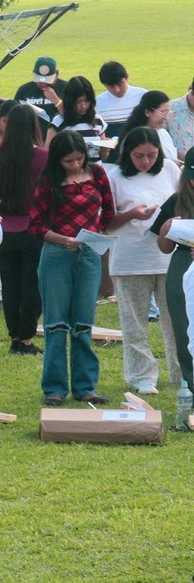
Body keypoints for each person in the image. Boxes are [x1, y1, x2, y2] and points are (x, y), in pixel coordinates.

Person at [29, 129, 115, 406]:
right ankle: (54, 389)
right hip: (57, 255)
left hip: (88, 255)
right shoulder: (48, 182)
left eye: (79, 159)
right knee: (56, 324)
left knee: (83, 323)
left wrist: (94, 234)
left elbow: (109, 211)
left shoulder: (98, 174)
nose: (75, 165)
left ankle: (85, 386)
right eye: (69, 161)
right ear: (57, 160)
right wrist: (63, 239)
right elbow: (36, 225)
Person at [107, 126, 181, 397]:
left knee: (176, 319)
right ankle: (142, 376)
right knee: (134, 322)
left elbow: (183, 203)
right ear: (128, 153)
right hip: (129, 260)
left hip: (168, 257)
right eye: (140, 156)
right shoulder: (114, 177)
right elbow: (105, 222)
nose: (146, 161)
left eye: (152, 155)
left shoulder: (171, 170)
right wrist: (131, 215)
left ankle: (180, 371)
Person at [0, 103, 48, 356]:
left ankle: (15, 335)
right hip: (32, 227)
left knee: (10, 284)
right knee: (33, 285)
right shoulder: (42, 157)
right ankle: (25, 338)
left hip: (4, 229)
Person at [151, 162, 194, 429]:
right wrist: (167, 228)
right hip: (181, 265)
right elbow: (164, 247)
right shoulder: (177, 201)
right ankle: (190, 391)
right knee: (185, 334)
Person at [98, 60, 145, 135]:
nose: (117, 90)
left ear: (127, 77)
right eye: (111, 87)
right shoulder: (97, 104)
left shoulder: (143, 97)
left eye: (120, 84)